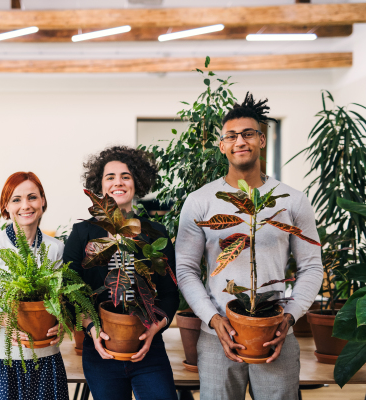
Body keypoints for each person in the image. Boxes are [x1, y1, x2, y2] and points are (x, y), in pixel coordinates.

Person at [175, 93, 323, 400]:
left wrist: (290, 317)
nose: (240, 141)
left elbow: (311, 266)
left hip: (275, 335)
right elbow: (186, 269)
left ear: (262, 140)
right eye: (231, 136)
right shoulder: (200, 201)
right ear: (222, 145)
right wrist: (213, 320)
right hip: (217, 336)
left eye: (248, 134)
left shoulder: (291, 200)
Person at [63, 146, 179, 400]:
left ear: (137, 182)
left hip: (149, 349)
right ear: (100, 185)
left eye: (126, 176)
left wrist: (153, 332)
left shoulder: (155, 233)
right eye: (110, 177)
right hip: (101, 350)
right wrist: (92, 328)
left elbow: (170, 295)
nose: (119, 182)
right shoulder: (82, 234)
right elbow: (70, 290)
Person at [0, 171, 68, 400]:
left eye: (32, 197)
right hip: (3, 362)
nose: (26, 205)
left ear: (42, 201)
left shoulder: (56, 248)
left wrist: (63, 320)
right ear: (6, 207)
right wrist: (4, 319)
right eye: (16, 199)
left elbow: (63, 298)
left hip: (46, 359)